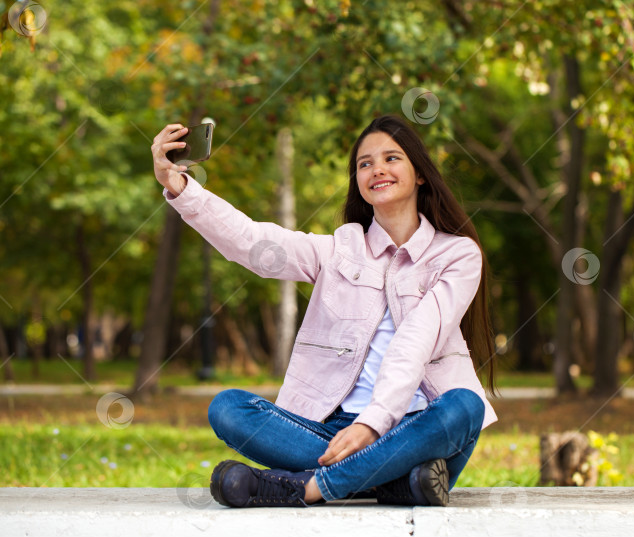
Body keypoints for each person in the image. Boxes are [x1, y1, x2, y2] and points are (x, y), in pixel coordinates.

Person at [150, 114, 498, 507]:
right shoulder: (336, 251)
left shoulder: (457, 254)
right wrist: (179, 186)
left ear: (419, 173)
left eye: (391, 158)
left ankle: (308, 487)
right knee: (228, 408)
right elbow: (251, 242)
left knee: (465, 404)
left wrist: (373, 424)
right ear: (358, 182)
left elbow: (415, 341)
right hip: (330, 434)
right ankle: (393, 482)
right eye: (364, 164)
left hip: (417, 428)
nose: (377, 169)